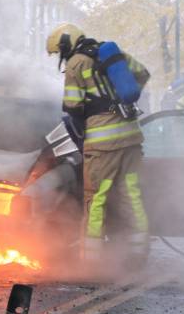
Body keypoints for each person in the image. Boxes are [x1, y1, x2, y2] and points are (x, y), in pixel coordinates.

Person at [45, 23, 151, 267]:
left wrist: (95, 113)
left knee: (96, 199)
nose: (61, 58)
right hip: (131, 137)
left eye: (60, 52)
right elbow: (143, 74)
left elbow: (72, 106)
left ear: (66, 45)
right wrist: (119, 102)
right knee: (132, 195)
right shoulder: (113, 55)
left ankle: (90, 261)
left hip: (102, 144)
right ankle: (139, 253)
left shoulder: (76, 64)